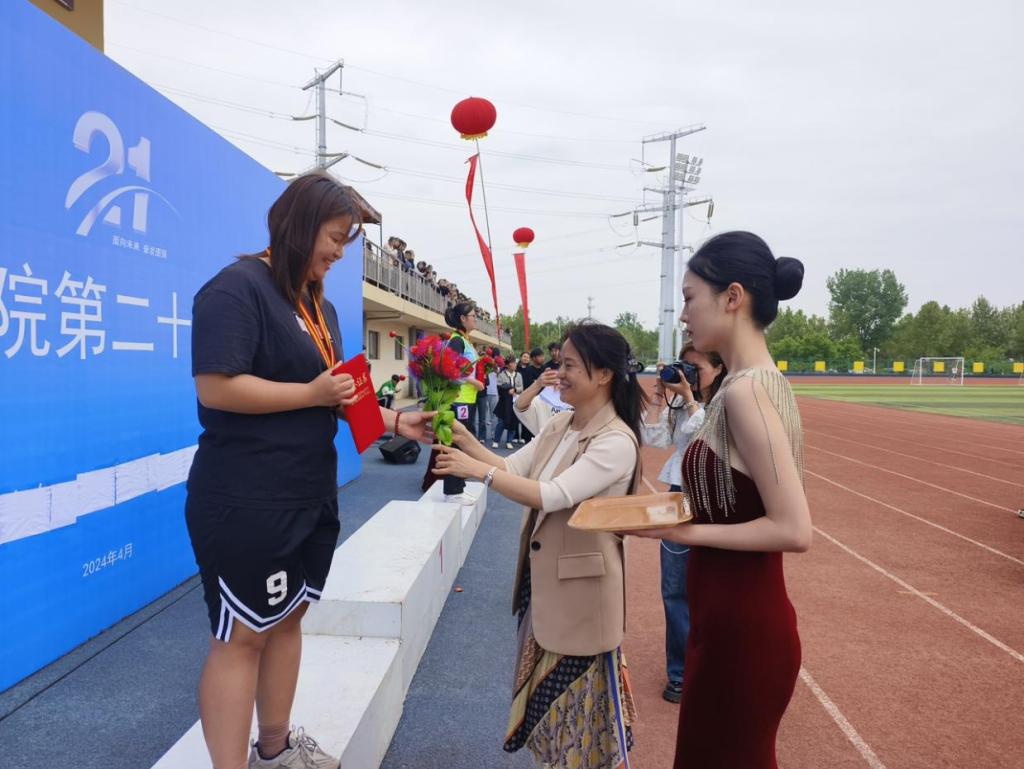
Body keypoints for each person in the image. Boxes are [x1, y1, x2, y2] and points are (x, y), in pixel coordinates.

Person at [186, 173, 434, 769]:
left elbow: (342, 393)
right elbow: (216, 387)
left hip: (308, 492)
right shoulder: (236, 288)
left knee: (289, 618)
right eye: (335, 237)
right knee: (241, 637)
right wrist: (309, 394)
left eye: (347, 241)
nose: (340, 253)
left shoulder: (319, 305)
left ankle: (275, 750)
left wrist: (397, 423)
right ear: (299, 225)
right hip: (246, 497)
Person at [625, 231, 810, 769]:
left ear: (733, 297)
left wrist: (680, 531)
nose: (683, 315)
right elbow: (734, 499)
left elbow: (794, 529)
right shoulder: (742, 385)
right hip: (724, 620)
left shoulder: (748, 392)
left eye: (690, 298)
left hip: (744, 632)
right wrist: (657, 510)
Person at [432, 323, 648, 769]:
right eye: (559, 363)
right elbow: (513, 468)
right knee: (550, 725)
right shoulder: (563, 423)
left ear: (604, 374)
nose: (558, 373)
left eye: (569, 365)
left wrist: (475, 470)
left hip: (581, 598)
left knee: (579, 727)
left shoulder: (615, 441)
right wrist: (461, 437)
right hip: (546, 586)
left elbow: (552, 495)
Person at [640, 344, 726, 704]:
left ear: (718, 368)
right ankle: (680, 673)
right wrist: (660, 397)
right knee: (674, 589)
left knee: (715, 589)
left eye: (696, 367)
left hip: (714, 499)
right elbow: (653, 438)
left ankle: (715, 668)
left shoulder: (727, 402)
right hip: (679, 494)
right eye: (683, 366)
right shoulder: (679, 404)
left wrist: (690, 398)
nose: (687, 373)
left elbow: (707, 438)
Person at [420, 301, 485, 497]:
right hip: (459, 399)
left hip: (467, 400)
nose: (476, 320)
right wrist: (473, 382)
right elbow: (448, 368)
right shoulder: (457, 341)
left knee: (462, 443)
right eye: (473, 316)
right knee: (456, 444)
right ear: (463, 319)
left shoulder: (465, 340)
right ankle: (452, 489)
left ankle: (458, 486)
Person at [493, 355, 524, 449]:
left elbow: (521, 387)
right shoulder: (502, 375)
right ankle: (496, 440)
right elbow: (499, 386)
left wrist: (515, 389)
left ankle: (509, 441)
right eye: (512, 363)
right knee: (501, 422)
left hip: (515, 401)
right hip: (504, 402)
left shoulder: (518, 375)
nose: (514, 365)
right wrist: (507, 389)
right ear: (507, 365)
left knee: (513, 422)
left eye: (515, 363)